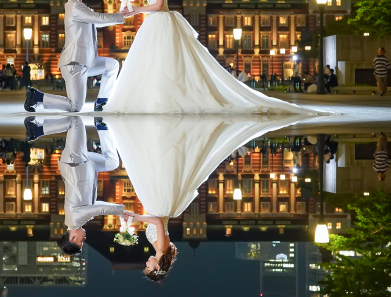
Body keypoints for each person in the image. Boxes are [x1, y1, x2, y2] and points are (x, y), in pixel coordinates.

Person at [107, 112, 309, 280]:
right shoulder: (161, 247)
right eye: (148, 267)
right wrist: (136, 217)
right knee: (152, 167)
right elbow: (159, 223)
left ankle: (164, 136)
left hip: (158, 204)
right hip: (159, 205)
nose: (146, 263)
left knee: (154, 168)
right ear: (157, 266)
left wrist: (132, 220)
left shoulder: (162, 249)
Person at [105, 0, 302, 114]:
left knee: (164, 61)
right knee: (154, 61)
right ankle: (154, 98)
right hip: (155, 23)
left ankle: (167, 100)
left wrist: (136, 10)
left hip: (160, 20)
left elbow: (158, 6)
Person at [24, 0, 128, 113]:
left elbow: (96, 22)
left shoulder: (78, 7)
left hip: (84, 61)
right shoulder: (75, 7)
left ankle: (102, 102)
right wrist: (123, 15)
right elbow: (98, 18)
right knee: (75, 106)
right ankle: (37, 96)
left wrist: (119, 16)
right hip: (74, 64)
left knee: (112, 65)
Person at [24, 116, 123, 255]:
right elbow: (97, 206)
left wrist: (122, 212)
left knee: (75, 122)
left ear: (73, 237)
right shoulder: (80, 220)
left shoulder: (74, 220)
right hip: (87, 165)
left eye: (81, 242)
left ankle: (37, 130)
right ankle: (101, 126)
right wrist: (121, 212)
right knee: (112, 162)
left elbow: (98, 209)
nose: (84, 239)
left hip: (75, 163)